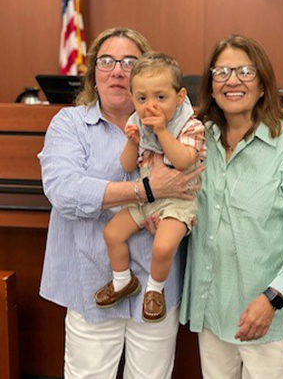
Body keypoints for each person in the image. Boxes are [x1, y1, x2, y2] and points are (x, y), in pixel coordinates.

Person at [38, 28, 204, 379]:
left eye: (129, 62)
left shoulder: (182, 126)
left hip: (156, 289)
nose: (117, 70)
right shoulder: (69, 124)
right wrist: (147, 189)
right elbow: (65, 190)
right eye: (107, 61)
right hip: (93, 285)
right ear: (93, 74)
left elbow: (196, 184)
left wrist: (173, 204)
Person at [180, 34, 283, 379]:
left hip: (264, 314)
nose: (232, 80)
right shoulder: (197, 140)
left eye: (245, 72)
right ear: (211, 85)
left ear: (263, 85)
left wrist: (272, 297)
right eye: (221, 73)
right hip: (211, 308)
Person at [95, 52, 206, 323]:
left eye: (160, 97)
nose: (150, 106)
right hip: (146, 197)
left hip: (178, 201)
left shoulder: (190, 125)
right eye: (142, 98)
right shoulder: (137, 123)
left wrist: (162, 132)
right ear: (133, 97)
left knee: (163, 247)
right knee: (111, 233)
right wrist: (133, 142)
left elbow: (183, 161)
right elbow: (126, 164)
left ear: (179, 97)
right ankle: (122, 281)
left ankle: (154, 290)